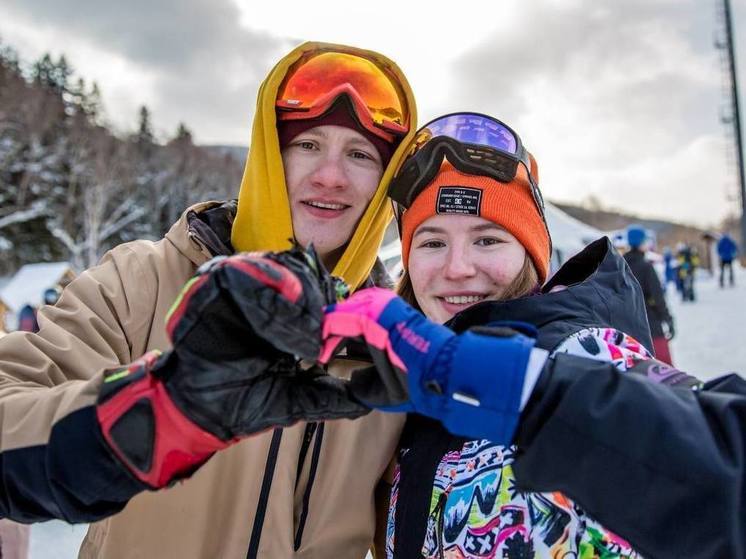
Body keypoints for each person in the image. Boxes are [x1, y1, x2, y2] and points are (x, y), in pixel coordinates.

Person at [0, 41, 416, 558]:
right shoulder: (140, 281)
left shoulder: (395, 344)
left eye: (360, 155)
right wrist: (167, 409)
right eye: (307, 144)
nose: (330, 176)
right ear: (268, 154)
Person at [318, 112, 691, 558]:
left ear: (531, 254)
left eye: (488, 240)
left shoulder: (582, 355)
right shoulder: (410, 385)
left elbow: (694, 449)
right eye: (433, 243)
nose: (457, 268)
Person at [623, 225, 675, 364]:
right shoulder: (645, 266)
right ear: (640, 243)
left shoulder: (620, 265)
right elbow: (658, 297)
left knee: (639, 369)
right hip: (650, 325)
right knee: (664, 368)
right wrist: (668, 319)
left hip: (626, 328)